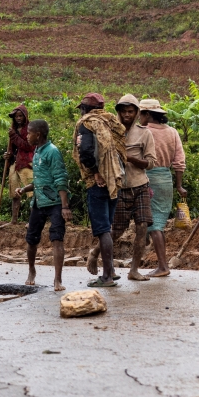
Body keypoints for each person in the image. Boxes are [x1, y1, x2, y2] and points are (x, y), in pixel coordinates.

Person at [100, 94, 157, 282]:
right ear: (118, 112)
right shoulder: (110, 132)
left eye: (130, 111)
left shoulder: (144, 133)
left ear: (136, 112)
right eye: (123, 111)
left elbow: (151, 163)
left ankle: (134, 269)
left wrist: (132, 159)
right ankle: (94, 253)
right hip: (119, 188)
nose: (127, 114)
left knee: (142, 228)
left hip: (140, 185)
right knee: (116, 231)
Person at [73, 93, 126, 288]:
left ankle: (107, 277)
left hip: (99, 182)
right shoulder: (110, 122)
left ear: (85, 109)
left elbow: (85, 152)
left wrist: (96, 173)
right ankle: (110, 270)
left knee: (103, 229)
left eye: (81, 109)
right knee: (108, 226)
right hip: (114, 178)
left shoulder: (87, 124)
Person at [14, 120, 71, 292]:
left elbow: (61, 179)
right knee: (31, 239)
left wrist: (64, 206)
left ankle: (57, 279)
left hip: (54, 203)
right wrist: (24, 189)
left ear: (38, 134)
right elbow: (40, 181)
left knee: (57, 239)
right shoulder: (37, 152)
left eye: (29, 132)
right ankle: (32, 270)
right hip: (39, 202)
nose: (27, 135)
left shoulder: (52, 152)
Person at [139, 98, 186, 277]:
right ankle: (162, 263)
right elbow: (179, 162)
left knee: (154, 226)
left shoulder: (143, 132)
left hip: (147, 178)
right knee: (157, 222)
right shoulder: (172, 132)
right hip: (166, 179)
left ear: (148, 115)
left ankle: (162, 266)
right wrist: (179, 185)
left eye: (141, 113)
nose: (138, 117)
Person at [6, 104, 35, 224]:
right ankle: (14, 220)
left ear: (25, 117)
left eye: (20, 116)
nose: (18, 118)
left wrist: (13, 135)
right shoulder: (13, 129)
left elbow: (28, 146)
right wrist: (8, 155)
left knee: (31, 194)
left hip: (27, 163)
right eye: (16, 116)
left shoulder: (30, 129)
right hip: (15, 164)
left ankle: (32, 221)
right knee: (14, 193)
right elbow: (13, 149)